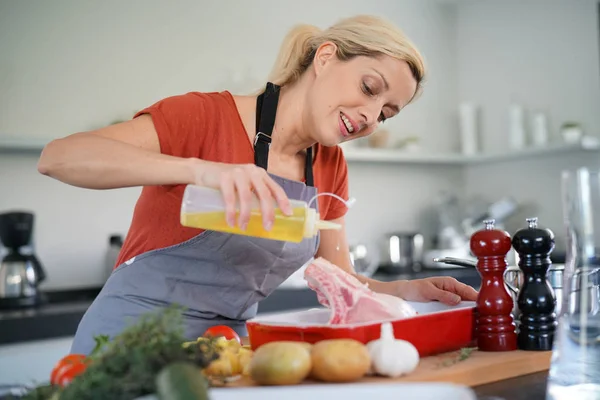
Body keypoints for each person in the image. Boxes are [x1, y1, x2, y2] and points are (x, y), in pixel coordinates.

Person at [38, 14, 478, 355]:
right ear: (325, 58)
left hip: (224, 351)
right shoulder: (204, 116)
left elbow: (339, 278)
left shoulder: (330, 165)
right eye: (369, 87)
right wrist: (202, 170)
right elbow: (58, 157)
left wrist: (405, 291)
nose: (369, 114)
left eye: (386, 112)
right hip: (125, 346)